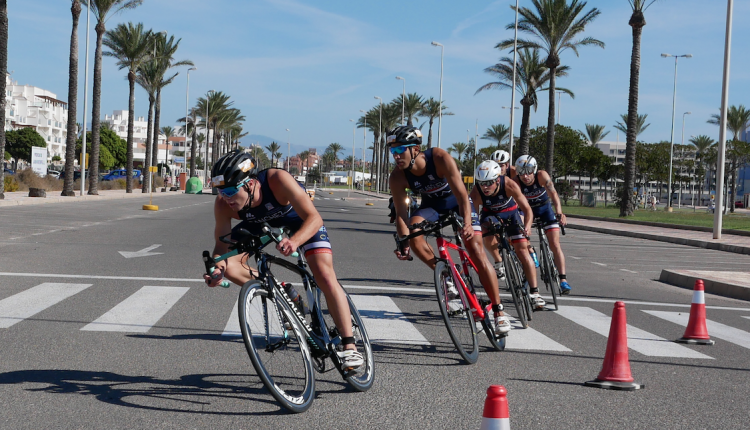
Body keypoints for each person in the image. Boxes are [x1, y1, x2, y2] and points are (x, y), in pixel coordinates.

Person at [204, 149, 364, 369]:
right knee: (231, 267)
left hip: (301, 222)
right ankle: (281, 290)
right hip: (259, 225)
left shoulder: (277, 180)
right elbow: (221, 248)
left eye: (231, 190)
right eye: (220, 192)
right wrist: (217, 268)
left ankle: (350, 346)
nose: (226, 198)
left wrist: (295, 241)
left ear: (250, 184)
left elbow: (314, 218)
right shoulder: (223, 204)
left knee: (325, 276)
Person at [388, 125, 511, 335]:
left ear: (415, 150)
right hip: (432, 207)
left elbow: (463, 196)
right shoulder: (397, 177)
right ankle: (447, 276)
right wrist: (403, 241)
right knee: (415, 235)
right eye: (393, 152)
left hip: (458, 203)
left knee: (476, 250)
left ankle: (499, 311)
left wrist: (468, 224)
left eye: (401, 150)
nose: (396, 156)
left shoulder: (439, 158)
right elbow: (401, 214)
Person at [470, 160, 546, 310]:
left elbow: (527, 209)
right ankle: (499, 261)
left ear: (498, 179)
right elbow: (472, 215)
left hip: (511, 214)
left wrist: (528, 226)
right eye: (481, 182)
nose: (485, 187)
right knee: (484, 230)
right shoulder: (477, 191)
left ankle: (535, 292)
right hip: (490, 215)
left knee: (523, 251)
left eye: (489, 183)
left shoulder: (509, 184)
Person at [513, 155, 572, 295]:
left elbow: (554, 194)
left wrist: (559, 213)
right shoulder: (515, 182)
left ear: (535, 170)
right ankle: (530, 256)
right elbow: (514, 204)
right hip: (527, 211)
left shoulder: (542, 175)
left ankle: (563, 279)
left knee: (555, 244)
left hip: (545, 209)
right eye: (522, 173)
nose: (526, 176)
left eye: (529, 172)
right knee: (520, 233)